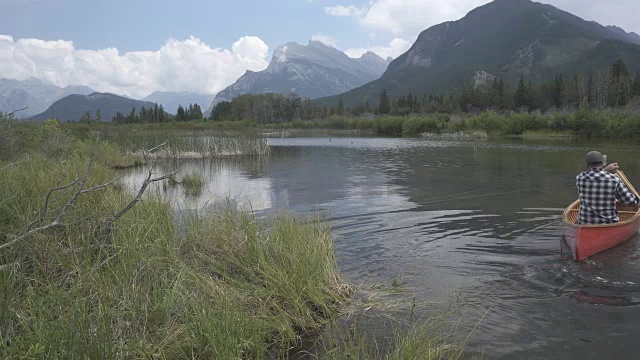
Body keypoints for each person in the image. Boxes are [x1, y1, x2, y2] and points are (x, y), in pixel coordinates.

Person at [576, 151, 640, 224]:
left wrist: (607, 169)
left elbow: (595, 176)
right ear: (602, 163)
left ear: (586, 164)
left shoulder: (580, 178)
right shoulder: (614, 179)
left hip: (584, 222)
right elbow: (629, 201)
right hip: (608, 222)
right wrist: (636, 200)